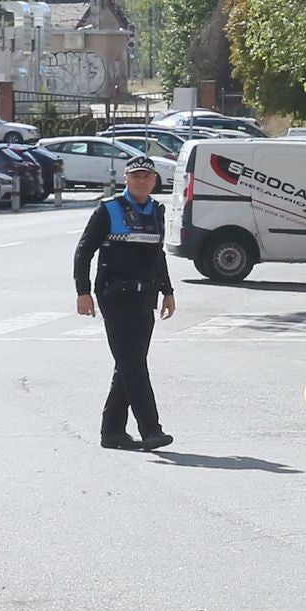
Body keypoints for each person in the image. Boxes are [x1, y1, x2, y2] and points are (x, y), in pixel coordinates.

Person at [74, 155, 176, 451]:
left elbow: (158, 255)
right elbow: (84, 252)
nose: (142, 181)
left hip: (146, 296)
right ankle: (150, 430)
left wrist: (168, 291)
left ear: (155, 180)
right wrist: (83, 291)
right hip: (114, 296)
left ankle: (112, 432)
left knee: (129, 364)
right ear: (126, 179)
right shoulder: (108, 210)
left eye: (147, 176)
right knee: (133, 364)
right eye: (136, 176)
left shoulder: (156, 211)